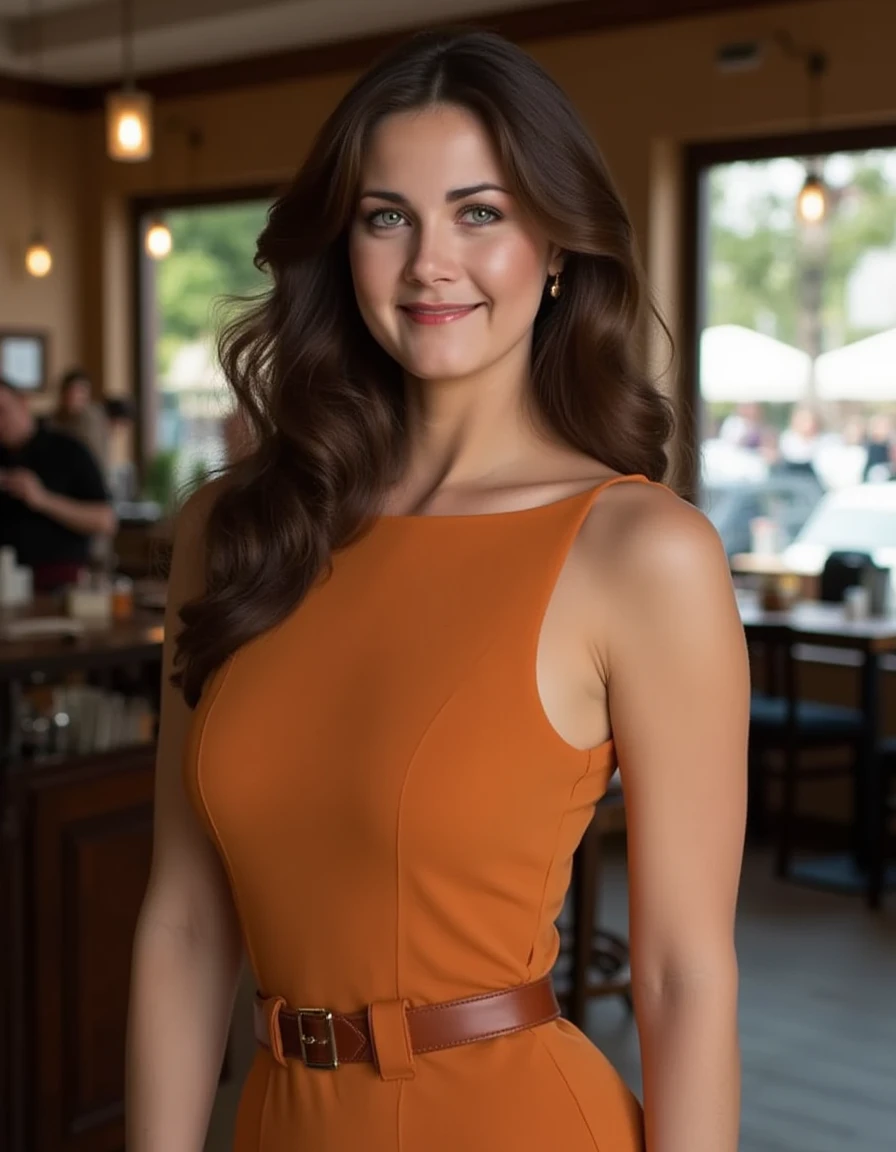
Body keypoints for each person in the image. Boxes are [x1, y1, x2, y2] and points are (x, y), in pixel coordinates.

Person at [127, 30, 747, 1152]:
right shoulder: (235, 531)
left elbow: (680, 972)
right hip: (276, 1119)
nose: (428, 264)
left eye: (479, 211)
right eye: (385, 217)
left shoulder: (638, 551)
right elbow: (180, 921)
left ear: (555, 244)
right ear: (342, 243)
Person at [0, 377, 116, 590]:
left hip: (60, 585)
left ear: (23, 404)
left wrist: (42, 499)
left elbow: (105, 520)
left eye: (2, 411)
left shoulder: (68, 451)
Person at [52, 366, 110, 471]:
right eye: (70, 392)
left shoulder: (92, 419)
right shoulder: (55, 418)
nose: (74, 396)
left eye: (79, 392)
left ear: (87, 395)